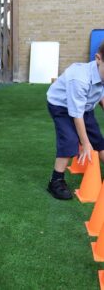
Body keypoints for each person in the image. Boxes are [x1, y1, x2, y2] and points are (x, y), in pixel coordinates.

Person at [47, 41, 104, 200]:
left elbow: (100, 94)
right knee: (70, 139)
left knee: (98, 139)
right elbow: (76, 114)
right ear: (98, 58)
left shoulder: (101, 73)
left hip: (84, 106)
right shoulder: (80, 79)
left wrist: (91, 141)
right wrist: (85, 143)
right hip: (61, 105)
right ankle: (55, 181)